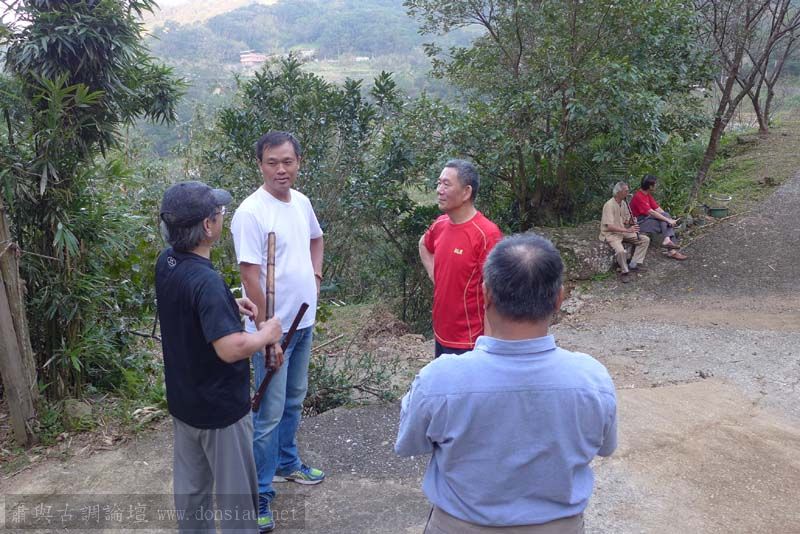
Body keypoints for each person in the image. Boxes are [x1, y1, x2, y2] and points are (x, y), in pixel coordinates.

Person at [396, 233, 617, 533]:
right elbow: (605, 447)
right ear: (558, 298)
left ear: (486, 295)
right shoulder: (592, 379)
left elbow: (410, 443)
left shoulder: (439, 380)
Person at [156, 181, 284, 533]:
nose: (222, 217)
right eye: (219, 213)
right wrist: (267, 334)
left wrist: (228, 302)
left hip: (185, 403)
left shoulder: (167, 262)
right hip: (220, 412)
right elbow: (230, 349)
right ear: (208, 226)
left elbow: (187, 302)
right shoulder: (206, 282)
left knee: (192, 493)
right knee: (236, 501)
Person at [230, 131, 325, 533]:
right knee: (268, 413)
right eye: (272, 162)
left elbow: (317, 239)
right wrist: (267, 332)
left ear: (299, 162)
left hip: (303, 322)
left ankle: (288, 463)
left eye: (287, 161)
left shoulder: (301, 202)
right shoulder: (251, 212)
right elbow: (249, 274)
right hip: (272, 330)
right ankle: (259, 494)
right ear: (260, 165)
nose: (281, 169)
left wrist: (316, 277)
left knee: (294, 399)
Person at [418, 159, 503, 358]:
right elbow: (423, 244)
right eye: (439, 183)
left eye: (446, 184)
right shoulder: (440, 224)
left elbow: (494, 294)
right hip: (441, 333)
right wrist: (435, 275)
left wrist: (487, 347)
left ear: (466, 192)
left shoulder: (487, 234)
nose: (439, 190)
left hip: (471, 341)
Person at [600, 181, 651, 283]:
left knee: (645, 240)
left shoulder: (623, 203)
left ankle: (634, 264)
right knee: (621, 251)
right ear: (618, 192)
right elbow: (609, 226)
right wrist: (627, 230)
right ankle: (624, 271)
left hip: (622, 231)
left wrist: (632, 221)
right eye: (626, 191)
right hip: (611, 234)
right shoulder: (609, 205)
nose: (628, 193)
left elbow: (626, 221)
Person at [630, 174, 688, 260]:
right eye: (655, 184)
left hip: (647, 220)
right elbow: (652, 212)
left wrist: (669, 219)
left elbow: (658, 209)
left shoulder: (647, 195)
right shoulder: (638, 196)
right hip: (638, 223)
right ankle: (672, 251)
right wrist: (668, 220)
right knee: (666, 224)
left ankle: (667, 241)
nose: (656, 185)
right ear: (650, 186)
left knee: (666, 219)